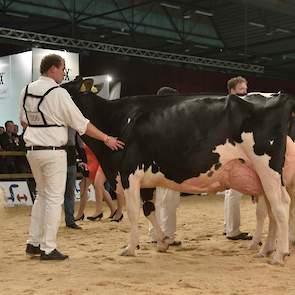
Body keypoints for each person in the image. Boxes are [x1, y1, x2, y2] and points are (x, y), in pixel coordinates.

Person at [20, 53, 124, 261]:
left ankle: (33, 242)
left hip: (32, 150)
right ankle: (48, 248)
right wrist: (106, 138)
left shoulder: (26, 90)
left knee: (42, 195)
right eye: (62, 68)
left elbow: (23, 122)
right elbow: (82, 124)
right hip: (53, 152)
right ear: (52, 69)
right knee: (53, 199)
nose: (63, 72)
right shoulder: (58, 93)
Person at [148, 86, 181, 246]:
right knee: (169, 201)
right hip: (169, 165)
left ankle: (155, 233)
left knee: (161, 200)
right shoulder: (169, 118)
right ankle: (167, 236)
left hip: (156, 165)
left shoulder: (153, 116)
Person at [224, 76, 252, 240]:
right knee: (234, 191)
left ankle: (229, 227)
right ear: (232, 90)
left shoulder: (228, 105)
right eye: (241, 89)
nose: (245, 92)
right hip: (234, 150)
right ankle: (233, 230)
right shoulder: (234, 107)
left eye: (245, 89)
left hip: (228, 150)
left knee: (231, 192)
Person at [74, 143, 124, 222]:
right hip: (93, 161)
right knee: (99, 187)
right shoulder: (84, 135)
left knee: (87, 185)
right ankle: (112, 210)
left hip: (96, 161)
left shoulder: (93, 134)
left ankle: (81, 214)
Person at [63, 128, 84, 230]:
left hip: (70, 155)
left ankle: (70, 220)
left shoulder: (73, 124)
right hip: (59, 153)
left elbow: (79, 142)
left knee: (70, 192)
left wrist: (82, 158)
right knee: (57, 194)